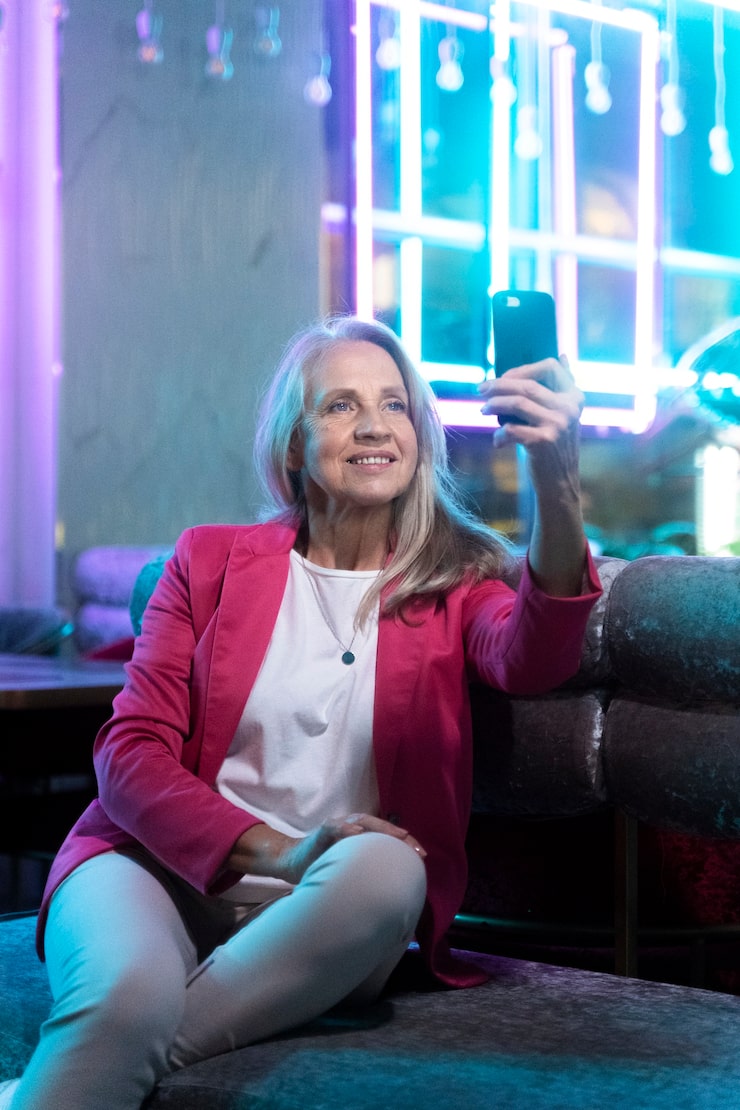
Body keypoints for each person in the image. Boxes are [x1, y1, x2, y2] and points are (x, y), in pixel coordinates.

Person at [1, 313, 601, 1110]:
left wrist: (554, 472)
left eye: (394, 405)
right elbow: (129, 753)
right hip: (150, 865)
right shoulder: (207, 559)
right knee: (125, 999)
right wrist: (283, 850)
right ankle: (109, 1054)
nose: (374, 426)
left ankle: (85, 1073)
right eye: (341, 405)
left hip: (330, 908)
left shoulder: (458, 580)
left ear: (418, 437)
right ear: (293, 445)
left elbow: (538, 658)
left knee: (392, 866)